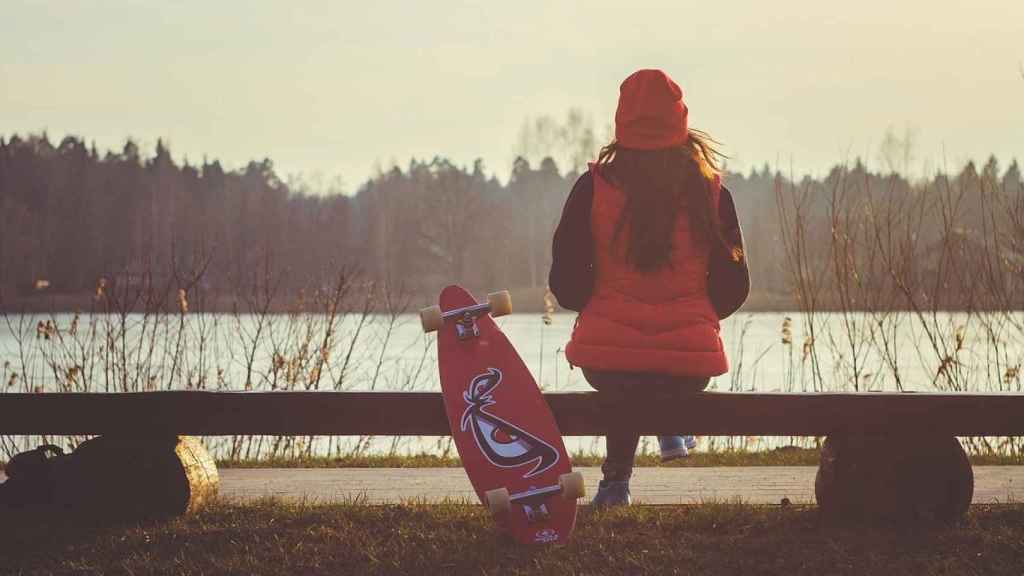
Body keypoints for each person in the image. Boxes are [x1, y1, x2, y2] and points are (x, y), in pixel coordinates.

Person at [549, 69, 750, 507]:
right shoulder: (713, 194)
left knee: (628, 375)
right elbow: (736, 287)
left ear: (622, 126)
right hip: (689, 362)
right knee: (658, 371)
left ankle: (616, 483)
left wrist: (600, 305)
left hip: (606, 359)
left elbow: (564, 284)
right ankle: (670, 424)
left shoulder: (592, 189)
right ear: (680, 124)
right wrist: (695, 313)